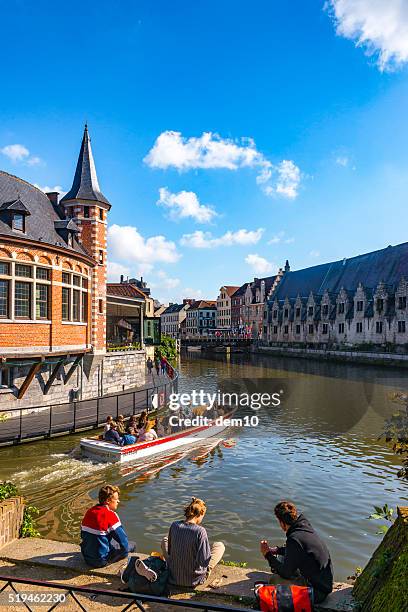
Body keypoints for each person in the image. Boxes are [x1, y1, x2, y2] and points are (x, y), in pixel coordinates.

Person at [260, 501, 333, 604]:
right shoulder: (303, 526)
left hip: (317, 592)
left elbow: (286, 573)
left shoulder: (294, 539)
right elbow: (298, 550)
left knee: (275, 580)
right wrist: (276, 550)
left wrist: (267, 555)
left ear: (282, 523)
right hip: (324, 582)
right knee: (281, 558)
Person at [161, 497, 225, 587]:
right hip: (194, 580)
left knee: (165, 540)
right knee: (219, 546)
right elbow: (204, 561)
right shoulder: (200, 531)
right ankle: (207, 571)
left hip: (173, 577)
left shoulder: (174, 525)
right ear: (201, 513)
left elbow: (170, 550)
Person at [81, 485, 133, 568]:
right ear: (108, 500)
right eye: (116, 499)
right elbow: (123, 541)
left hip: (86, 557)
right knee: (131, 546)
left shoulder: (89, 512)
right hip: (100, 561)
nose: (118, 501)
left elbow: (83, 535)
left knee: (104, 539)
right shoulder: (110, 515)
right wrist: (124, 551)